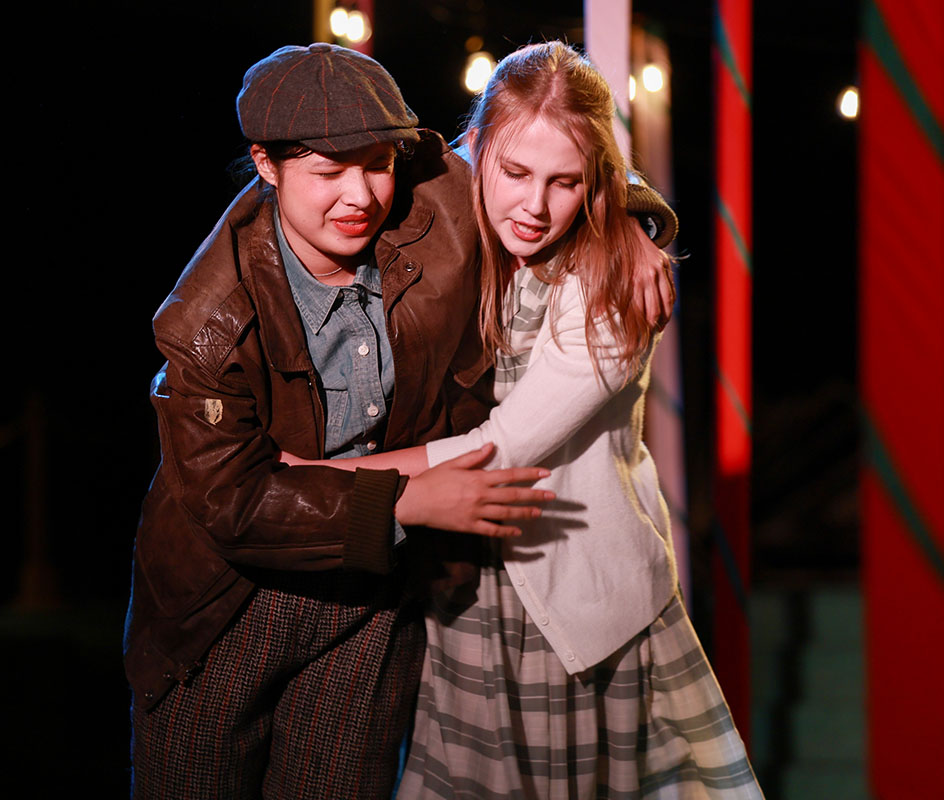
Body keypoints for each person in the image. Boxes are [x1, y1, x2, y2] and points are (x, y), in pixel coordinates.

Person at [126, 43, 675, 799]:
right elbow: (232, 502)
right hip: (229, 607)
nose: (359, 196)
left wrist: (634, 223)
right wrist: (406, 499)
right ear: (265, 165)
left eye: (378, 164)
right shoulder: (205, 326)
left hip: (373, 595)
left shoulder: (425, 199)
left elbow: (542, 143)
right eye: (328, 172)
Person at [290, 42, 763, 798]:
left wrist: (325, 479)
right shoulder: (446, 220)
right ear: (476, 150)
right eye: (515, 173)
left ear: (594, 180)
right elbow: (311, 188)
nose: (535, 207)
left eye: (564, 182)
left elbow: (498, 447)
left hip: (571, 605)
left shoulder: (615, 286)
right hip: (460, 590)